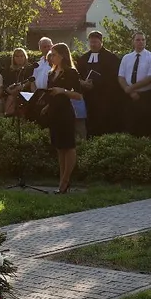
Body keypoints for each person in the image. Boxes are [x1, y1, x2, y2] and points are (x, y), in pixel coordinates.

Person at [44, 42, 89, 193]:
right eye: (51, 54)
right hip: (54, 113)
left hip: (65, 113)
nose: (51, 57)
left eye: (54, 54)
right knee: (59, 147)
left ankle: (66, 180)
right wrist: (47, 105)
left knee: (68, 146)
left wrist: (62, 90)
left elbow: (78, 95)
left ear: (62, 56)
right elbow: (50, 93)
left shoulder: (71, 73)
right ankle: (61, 179)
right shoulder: (51, 73)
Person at [117, 33, 151, 136]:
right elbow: (121, 77)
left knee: (145, 126)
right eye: (138, 40)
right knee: (129, 125)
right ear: (133, 41)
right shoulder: (126, 58)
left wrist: (131, 88)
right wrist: (129, 91)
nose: (140, 42)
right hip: (129, 97)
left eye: (143, 40)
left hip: (145, 96)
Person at [78, 31, 121, 135]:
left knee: (103, 122)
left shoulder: (111, 58)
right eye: (91, 42)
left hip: (104, 97)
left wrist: (97, 84)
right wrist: (83, 83)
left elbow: (113, 76)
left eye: (95, 42)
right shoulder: (83, 58)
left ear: (101, 42)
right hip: (88, 96)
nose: (93, 44)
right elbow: (78, 74)